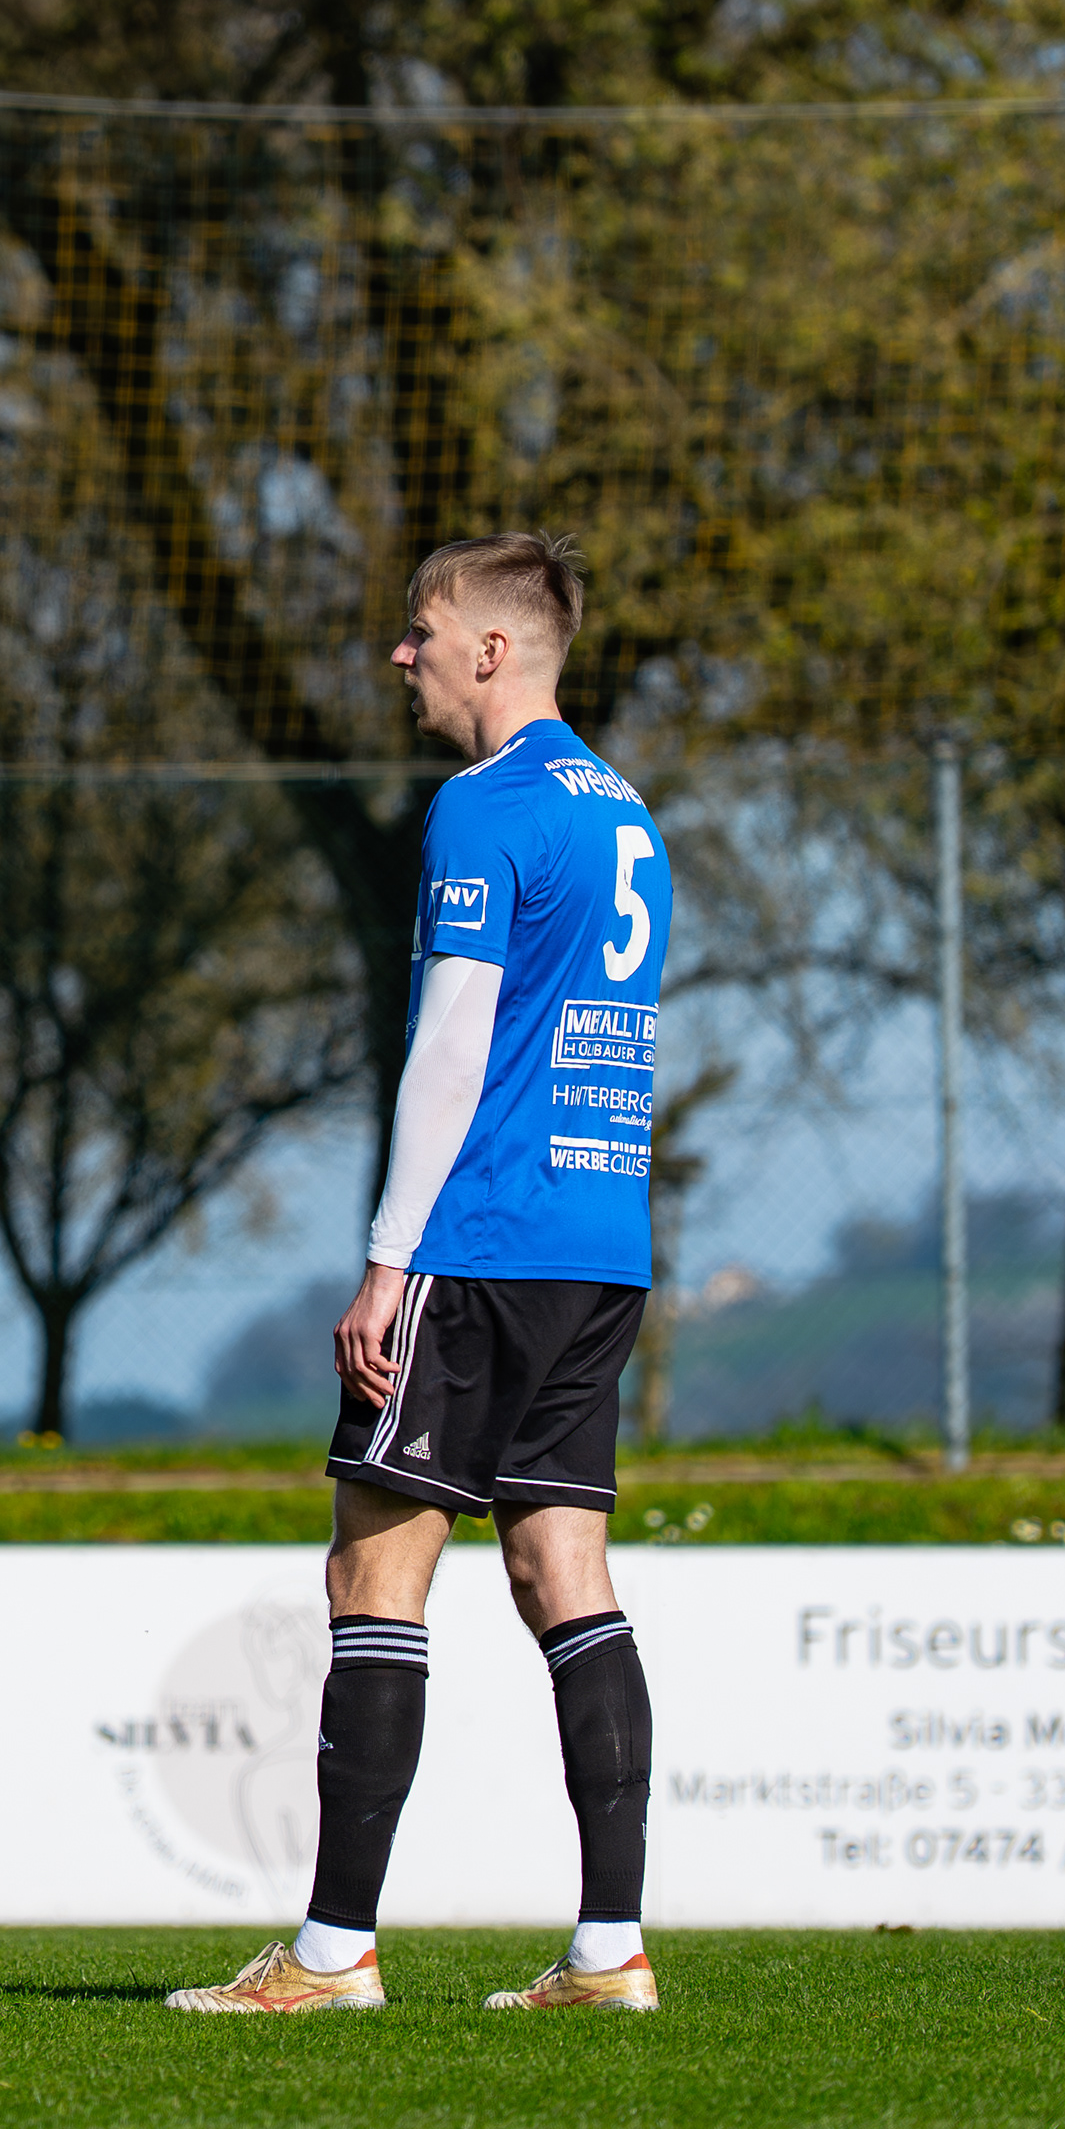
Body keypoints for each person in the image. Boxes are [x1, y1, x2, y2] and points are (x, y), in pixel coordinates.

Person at [169, 532, 667, 2015]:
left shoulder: (484, 804)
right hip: (602, 1242)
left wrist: (388, 1262)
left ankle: (333, 1955)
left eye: (422, 631)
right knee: (564, 1572)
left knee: (374, 1570)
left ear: (493, 650)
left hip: (484, 1240)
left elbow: (453, 1048)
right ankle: (610, 1951)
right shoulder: (624, 809)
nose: (403, 655)